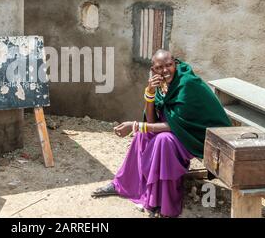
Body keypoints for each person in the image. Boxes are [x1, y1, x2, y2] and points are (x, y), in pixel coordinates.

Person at [92, 50, 232, 217]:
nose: (165, 70)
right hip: (175, 130)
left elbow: (178, 125)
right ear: (153, 69)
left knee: (163, 140)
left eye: (169, 65)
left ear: (175, 63)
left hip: (195, 135)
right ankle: (122, 184)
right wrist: (150, 92)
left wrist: (136, 125)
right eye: (159, 67)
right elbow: (152, 122)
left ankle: (166, 203)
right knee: (142, 135)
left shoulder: (186, 83)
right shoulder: (160, 84)